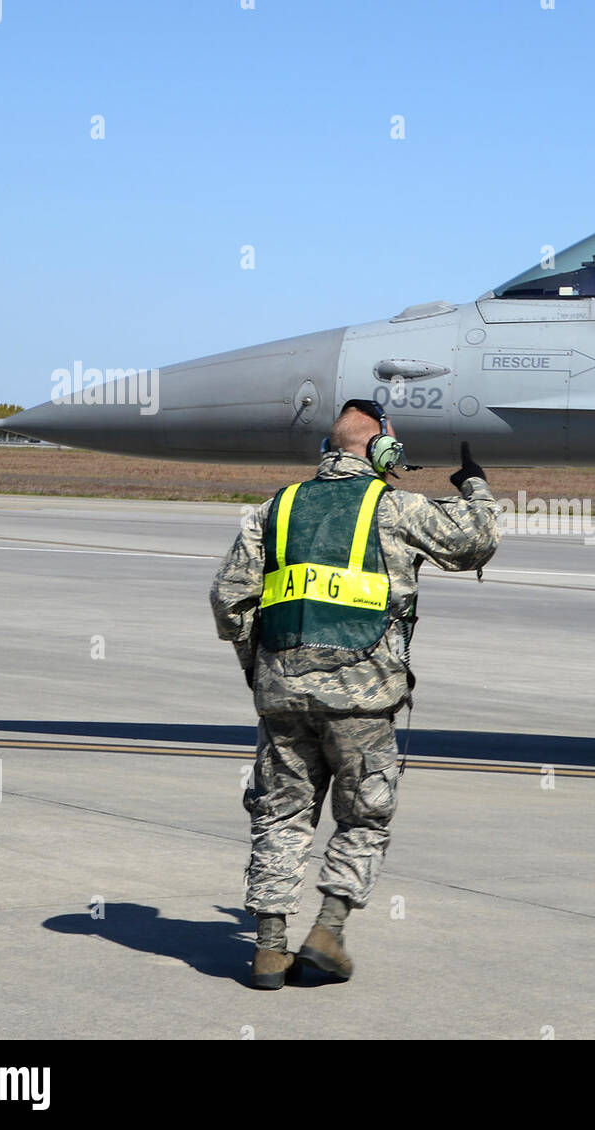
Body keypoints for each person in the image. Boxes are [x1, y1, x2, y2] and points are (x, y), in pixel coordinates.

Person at [209, 399, 501, 989]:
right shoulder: (395, 507)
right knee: (364, 815)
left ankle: (268, 950)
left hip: (282, 696)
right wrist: (475, 486)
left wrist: (262, 670)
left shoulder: (273, 510)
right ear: (380, 447)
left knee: (279, 813)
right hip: (362, 701)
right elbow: (476, 541)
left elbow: (228, 601)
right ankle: (327, 932)